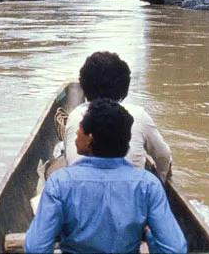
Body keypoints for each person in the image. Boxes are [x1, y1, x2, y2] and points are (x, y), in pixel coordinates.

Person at [24, 98, 187, 254]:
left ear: (90, 139)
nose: (76, 133)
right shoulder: (148, 184)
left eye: (80, 128)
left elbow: (35, 248)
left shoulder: (60, 183)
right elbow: (174, 249)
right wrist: (149, 235)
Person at [64, 51, 173, 180]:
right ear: (123, 85)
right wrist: (160, 181)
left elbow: (69, 159)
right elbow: (164, 156)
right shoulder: (138, 115)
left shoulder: (75, 115)